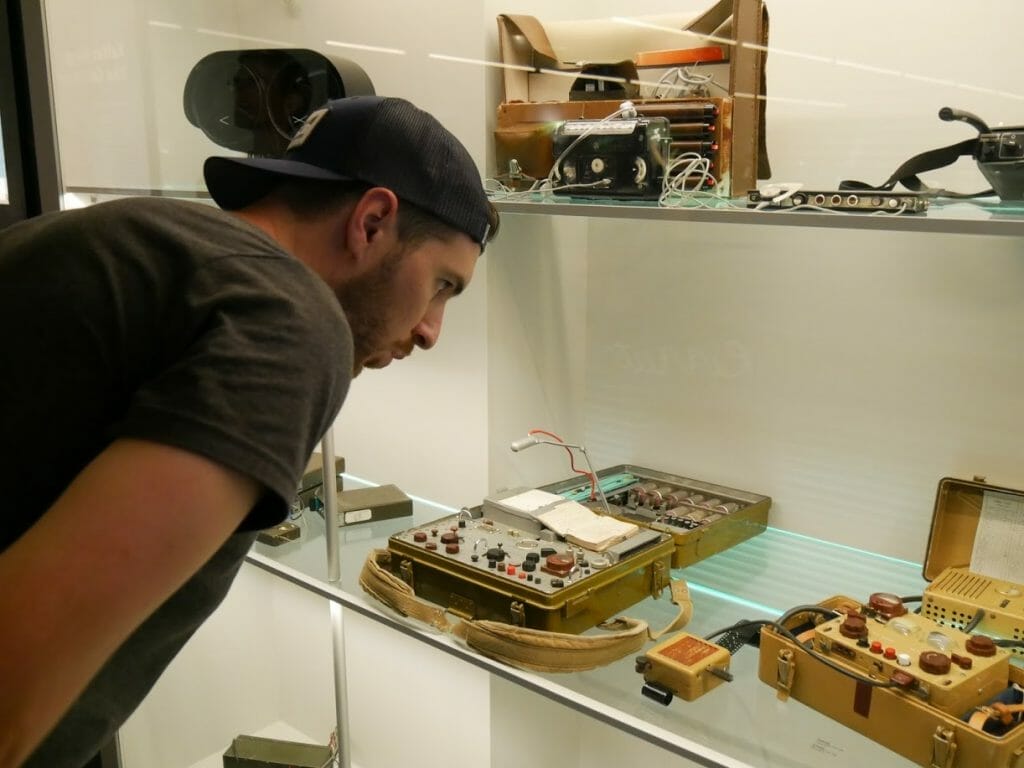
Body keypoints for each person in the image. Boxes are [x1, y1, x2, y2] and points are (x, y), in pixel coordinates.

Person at [0, 94, 498, 768]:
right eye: (442, 283)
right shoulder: (290, 320)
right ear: (372, 221)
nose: (432, 330)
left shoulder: (143, 241)